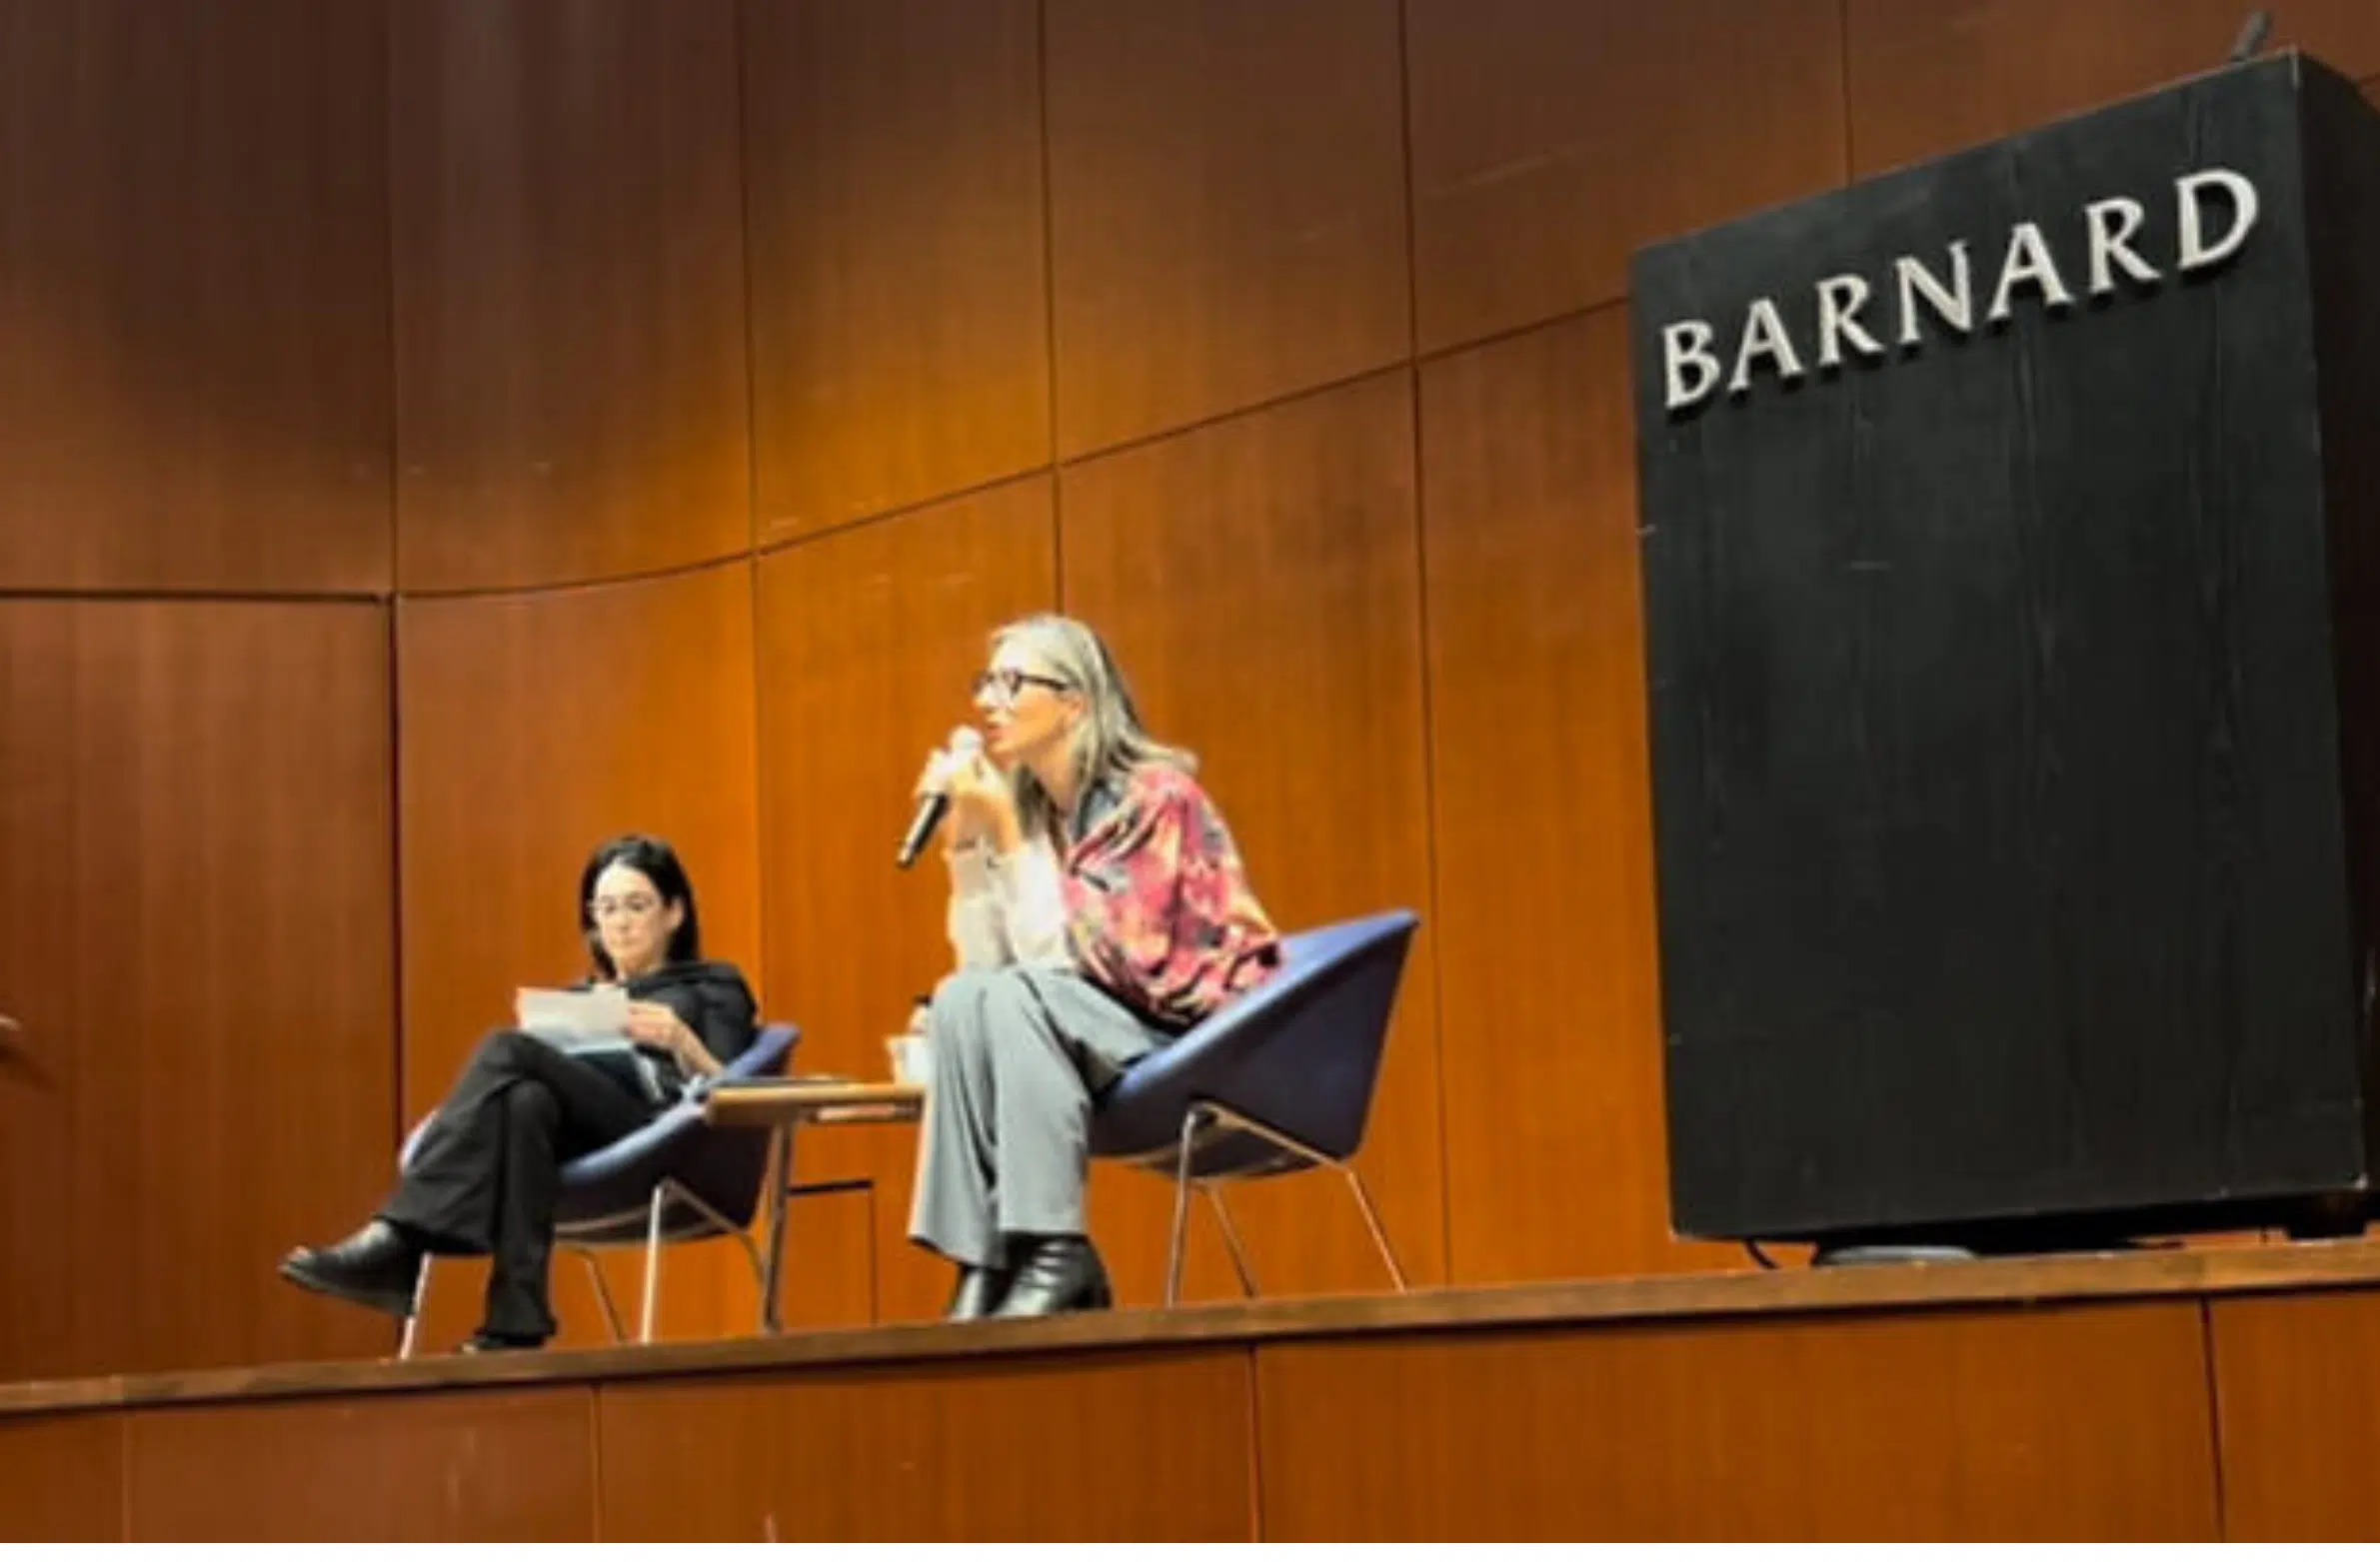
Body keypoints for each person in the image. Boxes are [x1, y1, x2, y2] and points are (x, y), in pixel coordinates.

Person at [911, 614, 1280, 1319]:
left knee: (1012, 995)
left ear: (1074, 702)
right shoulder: (1035, 808)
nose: (987, 701)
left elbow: (1078, 963)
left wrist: (1007, 834)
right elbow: (987, 964)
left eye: (1010, 682)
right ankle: (986, 1257)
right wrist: (965, 849)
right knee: (961, 998)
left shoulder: (1153, 798)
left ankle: (1056, 1250)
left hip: (1185, 1028)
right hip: (1078, 1024)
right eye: (985, 682)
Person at [279, 833, 756, 1351]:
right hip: (579, 1134)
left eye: (637, 906)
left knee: (506, 1048)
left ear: (674, 913)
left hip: (659, 1131)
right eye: (607, 908)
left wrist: (683, 1041)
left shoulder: (713, 985)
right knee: (524, 1102)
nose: (620, 923)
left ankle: (399, 1237)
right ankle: (517, 1318)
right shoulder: (580, 997)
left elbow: (738, 1083)